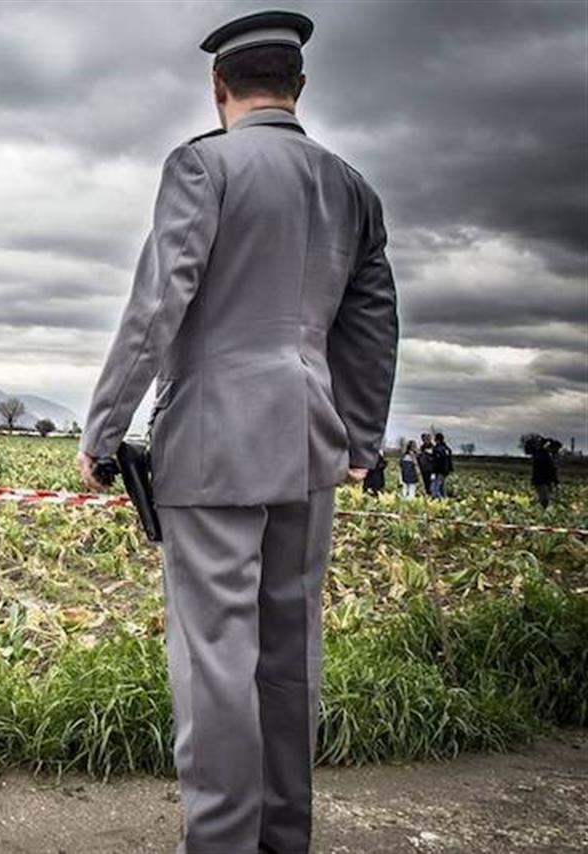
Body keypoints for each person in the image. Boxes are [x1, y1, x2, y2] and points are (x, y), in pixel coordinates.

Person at [75, 10, 398, 853]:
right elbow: (373, 326)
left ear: (220, 87)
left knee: (216, 664)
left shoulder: (201, 166)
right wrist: (360, 441)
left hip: (213, 449)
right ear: (299, 88)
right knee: (289, 659)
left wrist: (104, 430)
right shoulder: (351, 185)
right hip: (309, 450)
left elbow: (158, 303)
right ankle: (283, 840)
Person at [532, 438, 559, 507]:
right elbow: (547, 468)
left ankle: (543, 509)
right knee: (544, 498)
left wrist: (555, 480)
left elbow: (552, 470)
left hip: (546, 481)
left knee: (548, 497)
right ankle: (541, 509)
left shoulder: (549, 455)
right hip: (541, 480)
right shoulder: (541, 455)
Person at [430, 432, 453, 498]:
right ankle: (445, 499)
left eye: (435, 440)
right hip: (445, 471)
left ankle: (440, 501)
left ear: (437, 440)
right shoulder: (447, 449)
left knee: (435, 489)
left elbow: (436, 462)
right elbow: (448, 460)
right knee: (442, 487)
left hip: (438, 471)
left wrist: (433, 472)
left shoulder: (437, 449)